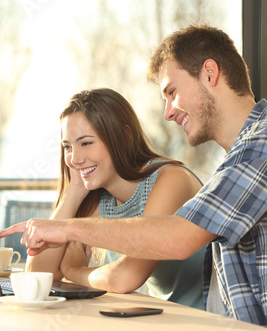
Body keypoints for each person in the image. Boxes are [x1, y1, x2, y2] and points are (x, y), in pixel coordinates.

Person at [0, 24, 267, 331]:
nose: (168, 113)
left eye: (172, 92)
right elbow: (41, 277)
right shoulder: (248, 151)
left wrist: (66, 233)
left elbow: (177, 239)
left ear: (210, 74)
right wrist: (73, 198)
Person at [26, 88, 205, 309]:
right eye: (67, 147)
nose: (74, 158)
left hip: (205, 320)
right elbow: (36, 278)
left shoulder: (172, 180)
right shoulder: (100, 196)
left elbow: (125, 277)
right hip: (161, 319)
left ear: (123, 137)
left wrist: (73, 272)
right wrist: (73, 191)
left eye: (86, 143)